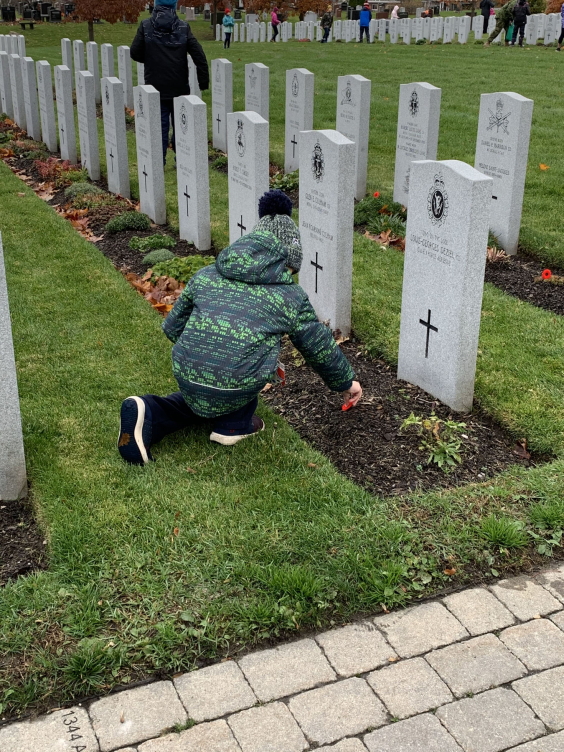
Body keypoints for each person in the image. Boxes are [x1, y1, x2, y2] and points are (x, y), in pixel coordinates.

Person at [117, 190, 362, 464]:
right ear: (287, 261)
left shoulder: (207, 274)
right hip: (237, 382)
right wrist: (345, 381)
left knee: (195, 400)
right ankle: (234, 426)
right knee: (239, 371)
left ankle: (148, 410)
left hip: (188, 374)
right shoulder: (289, 296)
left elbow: (172, 328)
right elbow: (317, 345)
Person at [130, 0, 209, 167]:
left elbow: (135, 52)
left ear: (156, 5)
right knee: (182, 125)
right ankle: (182, 160)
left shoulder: (146, 26)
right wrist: (203, 82)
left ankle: (158, 162)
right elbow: (199, 55)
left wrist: (152, 59)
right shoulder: (183, 27)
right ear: (174, 6)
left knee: (160, 126)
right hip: (178, 86)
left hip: (155, 86)